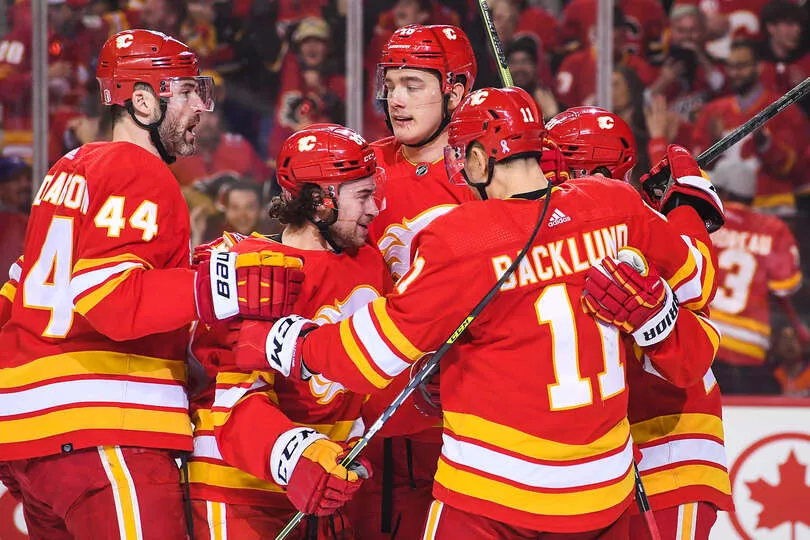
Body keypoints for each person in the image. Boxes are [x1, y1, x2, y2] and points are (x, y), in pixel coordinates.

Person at [246, 86, 718, 538]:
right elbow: (697, 278)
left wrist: (295, 344)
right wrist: (686, 208)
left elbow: (373, 354)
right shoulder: (616, 204)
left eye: (460, 156)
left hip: (492, 495)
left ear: (477, 158)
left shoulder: (463, 237)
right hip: (603, 493)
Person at [0, 29, 302, 539]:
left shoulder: (68, 169)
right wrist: (221, 287)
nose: (199, 107)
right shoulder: (137, 168)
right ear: (142, 101)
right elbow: (110, 299)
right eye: (185, 92)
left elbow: (16, 292)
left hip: (32, 439)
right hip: (103, 429)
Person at [189, 124, 389, 538]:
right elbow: (233, 399)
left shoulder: (370, 264)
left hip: (324, 487)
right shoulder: (249, 267)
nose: (374, 209)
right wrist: (299, 455)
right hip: (239, 490)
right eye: (363, 196)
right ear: (320, 200)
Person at [546, 106, 733, 539]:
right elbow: (698, 274)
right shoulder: (584, 224)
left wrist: (674, 210)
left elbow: (697, 285)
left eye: (559, 165)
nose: (546, 176)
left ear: (596, 172)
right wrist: (685, 204)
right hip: (602, 466)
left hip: (670, 453)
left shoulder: (623, 224)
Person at [352, 23, 479, 539]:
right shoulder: (362, 168)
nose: (396, 100)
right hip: (377, 426)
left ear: (455, 92)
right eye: (390, 85)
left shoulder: (488, 175)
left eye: (413, 85)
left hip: (471, 430)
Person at [708, 156, 803, 395]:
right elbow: (786, 285)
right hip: (751, 351)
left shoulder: (704, 220)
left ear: (722, 192)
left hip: (705, 343)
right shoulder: (773, 229)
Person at [692, 39, 809, 218]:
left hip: (773, 209)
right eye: (730, 66)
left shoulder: (784, 108)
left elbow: (795, 167)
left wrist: (765, 143)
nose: (734, 73)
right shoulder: (713, 111)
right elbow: (695, 168)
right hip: (724, 213)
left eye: (741, 66)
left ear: (759, 67)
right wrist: (714, 143)